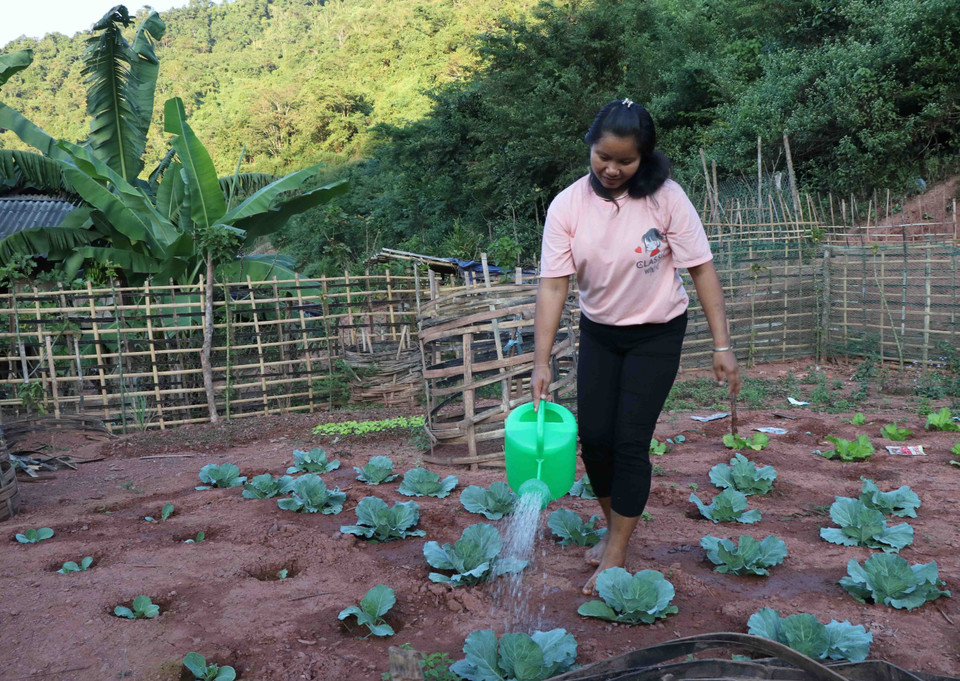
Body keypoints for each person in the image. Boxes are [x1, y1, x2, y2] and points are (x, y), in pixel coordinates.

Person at [531, 98, 741, 595]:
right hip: (600, 331)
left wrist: (722, 345)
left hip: (656, 332)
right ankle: (613, 529)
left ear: (643, 158)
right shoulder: (567, 206)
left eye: (625, 160)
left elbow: (702, 270)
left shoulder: (666, 198)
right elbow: (554, 286)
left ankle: (619, 552)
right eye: (604, 156)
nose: (612, 168)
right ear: (591, 147)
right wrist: (540, 360)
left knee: (629, 441)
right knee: (595, 437)